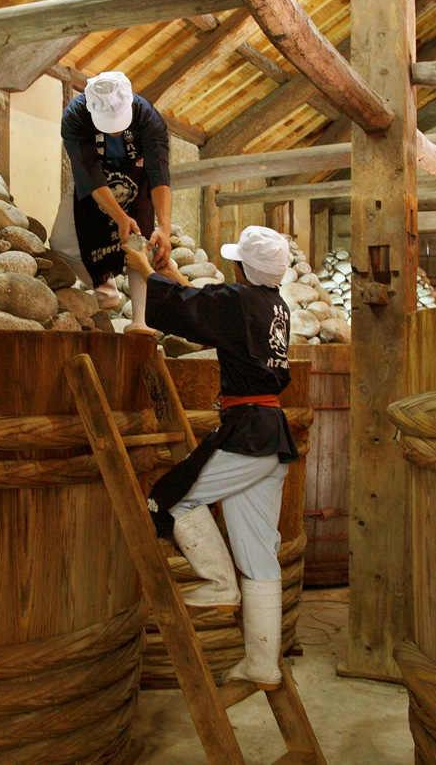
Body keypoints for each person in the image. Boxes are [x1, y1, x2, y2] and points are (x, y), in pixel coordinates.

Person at [124, 226, 297, 689]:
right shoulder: (274, 305)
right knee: (260, 555)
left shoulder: (238, 301)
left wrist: (144, 272)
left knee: (170, 498)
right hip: (271, 434)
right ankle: (263, 664)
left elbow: (198, 312)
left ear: (242, 268)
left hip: (247, 432)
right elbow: (206, 308)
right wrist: (170, 275)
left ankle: (219, 584)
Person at [52, 72, 172, 332]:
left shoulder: (148, 117)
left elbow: (159, 172)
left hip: (138, 178)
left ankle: (141, 319)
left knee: (140, 240)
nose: (115, 129)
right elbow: (89, 175)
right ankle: (104, 288)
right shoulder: (75, 117)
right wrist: (119, 217)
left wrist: (164, 226)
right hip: (94, 184)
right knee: (61, 241)